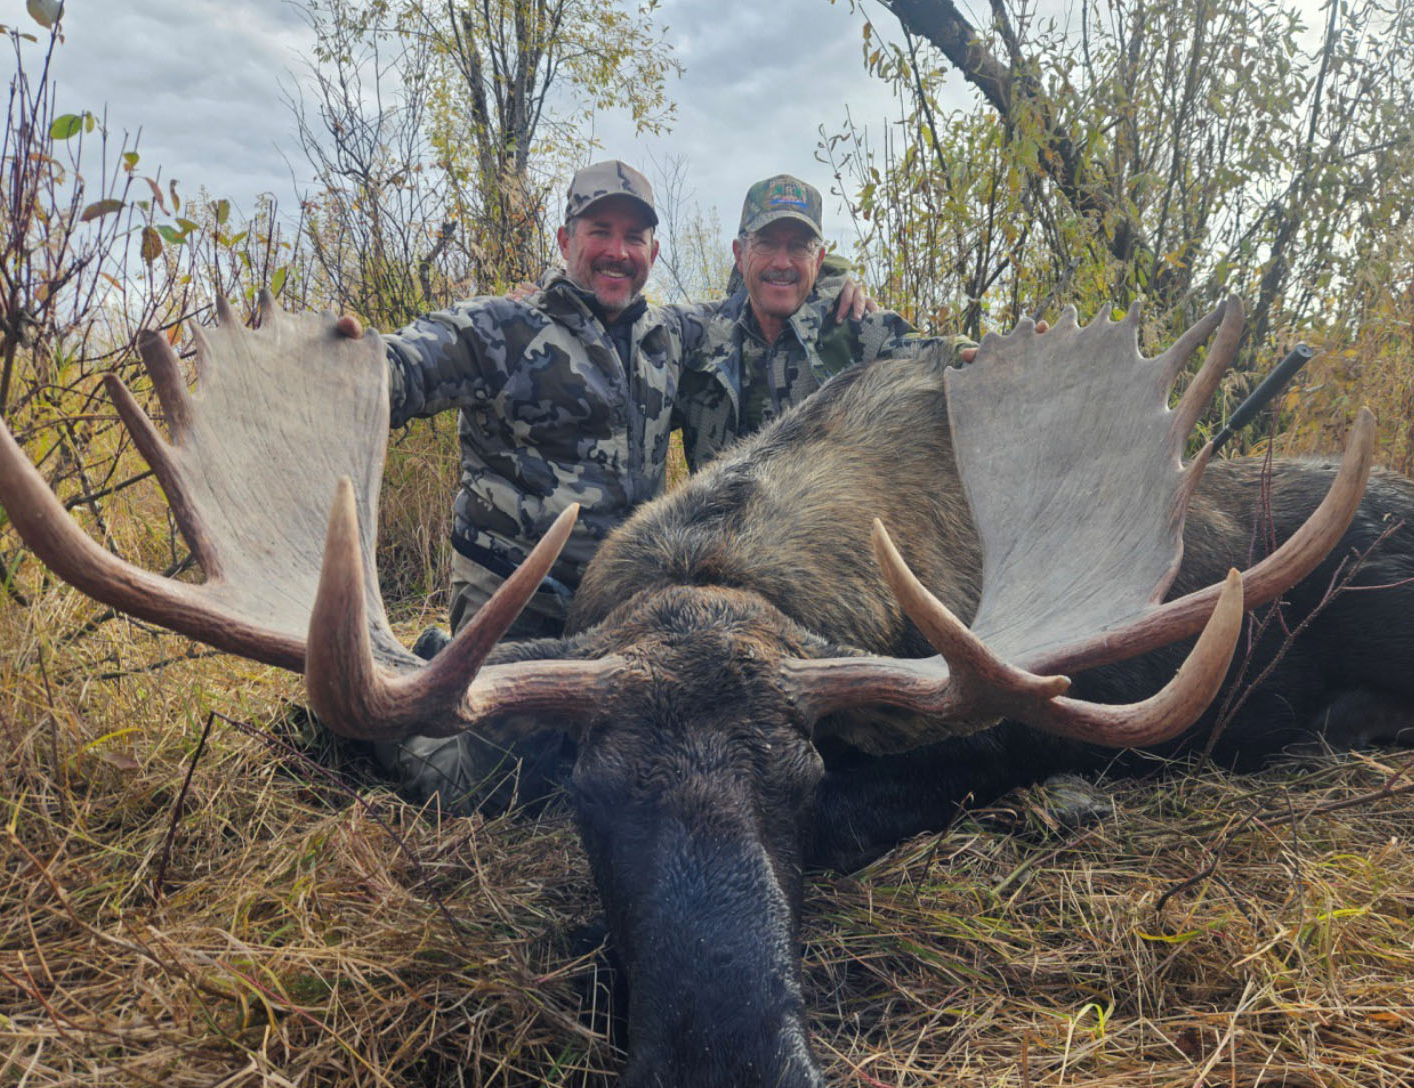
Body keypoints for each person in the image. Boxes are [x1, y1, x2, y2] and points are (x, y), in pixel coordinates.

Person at [348, 160, 872, 809]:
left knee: (655, 772)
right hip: (517, 611)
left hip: (620, 615)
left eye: (634, 236)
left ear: (653, 252)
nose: (617, 251)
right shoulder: (500, 328)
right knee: (494, 791)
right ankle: (378, 709)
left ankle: (437, 664)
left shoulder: (673, 338)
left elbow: (775, 287)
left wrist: (838, 282)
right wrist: (348, 360)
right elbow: (396, 368)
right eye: (601, 230)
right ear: (566, 241)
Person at [679, 173, 971, 469]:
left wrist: (981, 357)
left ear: (818, 261)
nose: (782, 263)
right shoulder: (699, 337)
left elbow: (937, 357)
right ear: (740, 256)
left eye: (798, 246)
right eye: (766, 244)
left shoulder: (858, 330)